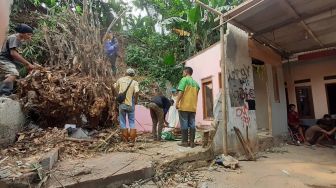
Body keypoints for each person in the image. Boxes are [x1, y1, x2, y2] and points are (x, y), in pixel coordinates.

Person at [0, 24, 36, 95]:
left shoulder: (18, 40)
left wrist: (28, 65)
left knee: (20, 70)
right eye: (28, 34)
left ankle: (11, 89)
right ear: (22, 33)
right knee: (13, 73)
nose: (30, 37)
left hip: (9, 60)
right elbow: (13, 53)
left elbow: (17, 56)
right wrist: (27, 64)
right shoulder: (14, 38)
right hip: (3, 59)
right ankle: (4, 94)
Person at [114, 68, 139, 146]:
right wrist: (136, 100)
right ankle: (132, 140)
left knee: (122, 121)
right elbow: (137, 91)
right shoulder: (135, 82)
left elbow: (114, 87)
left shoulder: (120, 80)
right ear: (133, 75)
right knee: (131, 121)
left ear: (126, 73)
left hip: (122, 104)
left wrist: (116, 95)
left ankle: (125, 140)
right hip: (130, 104)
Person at [176, 67, 200, 148]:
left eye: (183, 72)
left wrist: (177, 102)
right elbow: (196, 95)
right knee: (192, 124)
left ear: (186, 72)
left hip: (184, 106)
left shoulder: (184, 80)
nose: (182, 74)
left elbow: (181, 92)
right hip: (193, 107)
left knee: (184, 124)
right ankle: (192, 142)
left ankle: (185, 142)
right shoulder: (196, 84)